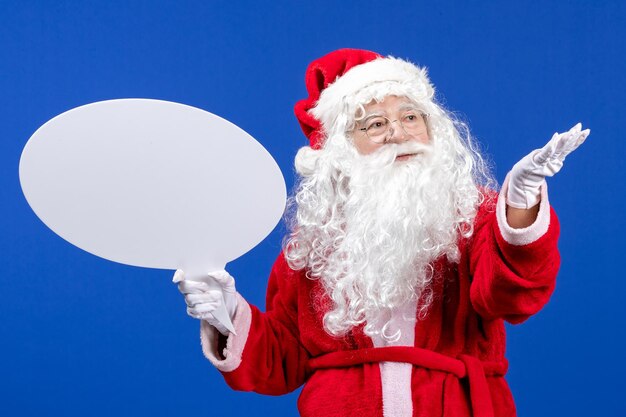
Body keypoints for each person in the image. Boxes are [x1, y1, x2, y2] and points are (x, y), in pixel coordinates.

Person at [174, 49, 589, 417]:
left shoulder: (471, 214)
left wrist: (519, 205)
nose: (399, 132)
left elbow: (510, 297)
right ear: (341, 149)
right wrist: (226, 314)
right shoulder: (314, 244)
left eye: (411, 116)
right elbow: (283, 362)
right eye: (375, 124)